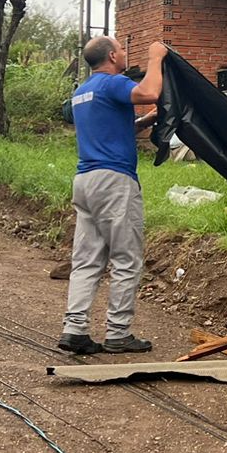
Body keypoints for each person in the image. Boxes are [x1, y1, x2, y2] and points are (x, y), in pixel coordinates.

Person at [58, 36, 167, 355]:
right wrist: (155, 57)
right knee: (126, 258)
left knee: (87, 260)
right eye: (121, 49)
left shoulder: (81, 94)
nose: (124, 53)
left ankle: (74, 328)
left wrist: (146, 122)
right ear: (110, 56)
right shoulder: (111, 83)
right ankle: (118, 333)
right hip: (114, 181)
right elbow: (149, 92)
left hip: (85, 181)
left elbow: (106, 130)